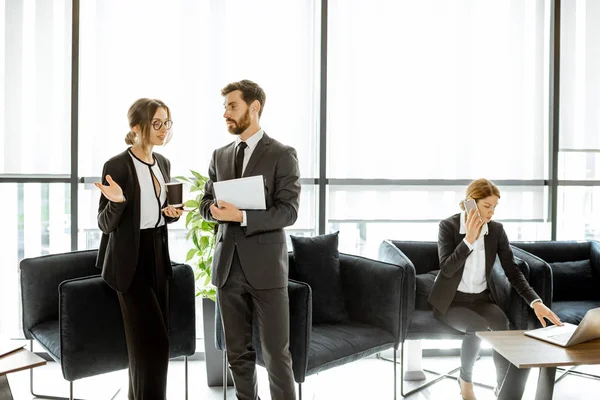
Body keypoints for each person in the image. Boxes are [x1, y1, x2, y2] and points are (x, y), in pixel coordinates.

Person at [200, 79, 300, 400]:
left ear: (254, 108)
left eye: (232, 106)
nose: (226, 113)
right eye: (225, 107)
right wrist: (214, 210)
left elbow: (289, 212)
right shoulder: (220, 155)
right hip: (228, 268)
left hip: (267, 270)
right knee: (237, 354)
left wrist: (241, 216)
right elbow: (204, 204)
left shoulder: (282, 154)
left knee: (275, 354)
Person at [429, 178, 562, 400]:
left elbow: (513, 271)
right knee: (478, 327)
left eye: (494, 207)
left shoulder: (496, 231)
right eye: (486, 206)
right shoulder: (448, 227)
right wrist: (469, 240)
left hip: (481, 300)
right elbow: (447, 268)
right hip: (450, 302)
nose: (491, 213)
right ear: (470, 203)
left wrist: (536, 302)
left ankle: (503, 389)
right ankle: (465, 380)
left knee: (503, 326)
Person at [94, 98, 183, 400]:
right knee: (153, 345)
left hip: (158, 255)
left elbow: (155, 213)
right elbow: (105, 224)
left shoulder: (163, 164)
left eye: (167, 122)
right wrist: (118, 202)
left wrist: (168, 214)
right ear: (136, 128)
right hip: (129, 263)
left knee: (148, 348)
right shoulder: (117, 165)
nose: (163, 129)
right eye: (156, 123)